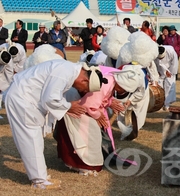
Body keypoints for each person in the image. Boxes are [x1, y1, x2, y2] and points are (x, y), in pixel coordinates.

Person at [4, 60, 106, 189]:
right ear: (84, 81)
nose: (81, 90)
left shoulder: (69, 69)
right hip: (22, 100)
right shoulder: (65, 72)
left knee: (35, 139)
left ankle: (40, 177)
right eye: (84, 89)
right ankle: (39, 181)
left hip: (27, 100)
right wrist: (69, 106)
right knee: (31, 139)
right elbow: (50, 98)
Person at [155, 45, 179, 111]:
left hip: (169, 70)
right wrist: (156, 71)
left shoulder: (171, 51)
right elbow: (152, 63)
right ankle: (160, 105)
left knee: (169, 86)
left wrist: (170, 71)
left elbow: (175, 63)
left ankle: (167, 104)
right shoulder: (153, 52)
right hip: (159, 70)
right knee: (159, 87)